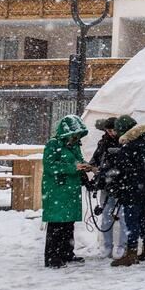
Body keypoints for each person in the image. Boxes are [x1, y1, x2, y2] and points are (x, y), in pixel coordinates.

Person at [42, 115, 94, 268]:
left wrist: (85, 166)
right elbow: (49, 166)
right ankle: (52, 257)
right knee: (56, 224)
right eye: (74, 134)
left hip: (70, 190)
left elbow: (78, 160)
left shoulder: (74, 146)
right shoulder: (53, 144)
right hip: (57, 190)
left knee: (68, 224)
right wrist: (73, 168)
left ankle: (67, 253)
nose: (75, 137)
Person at [110, 115, 145, 267]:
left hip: (132, 189)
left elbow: (124, 171)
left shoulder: (130, 147)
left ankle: (131, 254)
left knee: (131, 220)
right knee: (142, 218)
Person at [90, 117, 127, 258]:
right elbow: (96, 158)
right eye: (108, 130)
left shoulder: (125, 142)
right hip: (107, 184)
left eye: (113, 130)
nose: (111, 133)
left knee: (123, 217)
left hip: (122, 184)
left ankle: (122, 246)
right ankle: (107, 246)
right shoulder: (103, 142)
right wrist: (93, 167)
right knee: (106, 215)